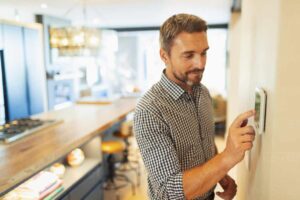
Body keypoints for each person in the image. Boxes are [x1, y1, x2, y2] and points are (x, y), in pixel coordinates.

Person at [133, 13, 255, 200]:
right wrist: (227, 157)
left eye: (204, 52)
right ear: (164, 56)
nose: (201, 64)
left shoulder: (202, 93)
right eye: (189, 55)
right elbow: (168, 191)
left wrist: (221, 177)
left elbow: (205, 143)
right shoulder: (150, 110)